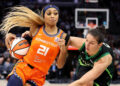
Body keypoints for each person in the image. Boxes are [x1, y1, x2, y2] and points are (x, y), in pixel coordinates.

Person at [1, 5, 69, 86]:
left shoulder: (63, 36)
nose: (52, 16)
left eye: (55, 13)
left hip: (38, 76)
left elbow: (60, 65)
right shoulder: (36, 28)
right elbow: (24, 42)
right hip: (23, 67)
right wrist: (12, 38)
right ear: (43, 16)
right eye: (49, 13)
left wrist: (63, 49)